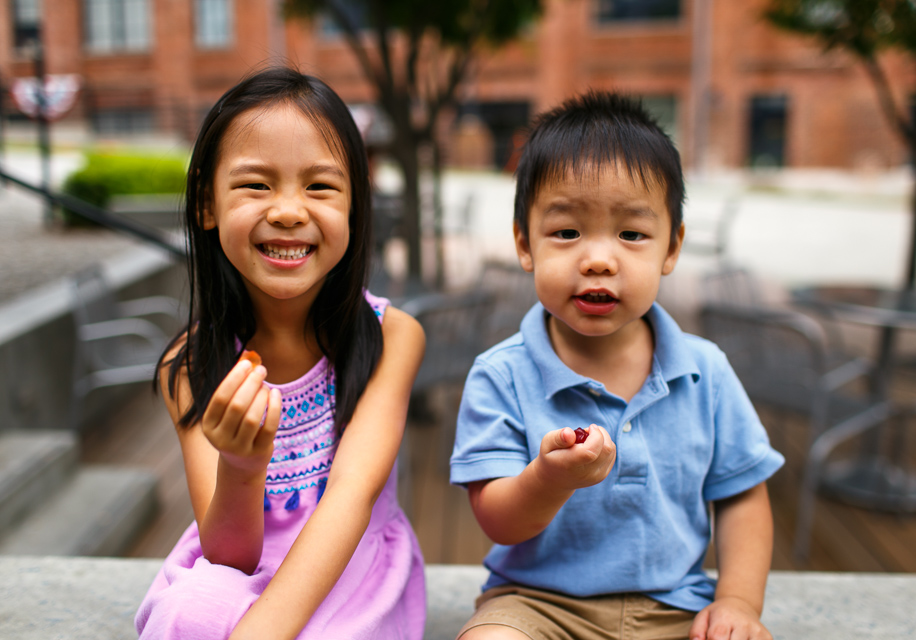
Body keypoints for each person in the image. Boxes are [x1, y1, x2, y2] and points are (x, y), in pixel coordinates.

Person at [450, 92, 785, 640]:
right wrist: (548, 478)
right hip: (539, 605)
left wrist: (738, 603)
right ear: (524, 244)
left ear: (671, 248)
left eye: (632, 234)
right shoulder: (501, 374)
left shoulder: (706, 370)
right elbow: (499, 521)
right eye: (566, 232)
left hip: (674, 604)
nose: (600, 258)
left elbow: (743, 494)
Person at [135, 67, 426, 640]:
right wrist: (242, 469)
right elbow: (228, 555)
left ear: (354, 206)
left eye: (320, 186)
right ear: (206, 205)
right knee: (186, 614)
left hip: (353, 566)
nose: (289, 210)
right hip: (243, 570)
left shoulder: (392, 335)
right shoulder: (190, 366)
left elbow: (351, 495)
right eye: (256, 185)